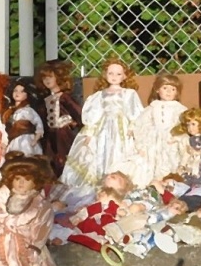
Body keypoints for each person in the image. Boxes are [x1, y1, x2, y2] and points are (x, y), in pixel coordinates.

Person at [61, 59, 144, 191]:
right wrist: (89, 133)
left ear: (124, 76)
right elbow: (94, 115)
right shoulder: (98, 96)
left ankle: (119, 183)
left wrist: (133, 127)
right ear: (105, 74)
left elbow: (135, 112)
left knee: (120, 151)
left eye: (118, 74)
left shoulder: (128, 94)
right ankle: (101, 182)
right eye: (111, 73)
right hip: (103, 129)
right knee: (100, 152)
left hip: (121, 128)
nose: (114, 77)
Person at [129, 74, 189, 188]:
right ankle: (154, 185)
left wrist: (178, 137)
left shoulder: (179, 108)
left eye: (173, 89)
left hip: (171, 140)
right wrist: (134, 130)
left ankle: (170, 185)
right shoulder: (153, 106)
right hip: (154, 141)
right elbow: (142, 121)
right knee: (153, 162)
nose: (169, 92)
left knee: (171, 161)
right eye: (165, 88)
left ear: (177, 92)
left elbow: (185, 124)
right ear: (157, 89)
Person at [35, 59, 83, 172]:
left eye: (50, 77)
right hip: (50, 135)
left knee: (64, 159)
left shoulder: (64, 97)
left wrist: (72, 122)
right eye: (44, 78)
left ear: (58, 77)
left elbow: (79, 113)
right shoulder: (45, 100)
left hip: (63, 134)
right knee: (50, 160)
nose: (47, 80)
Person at [3, 76, 45, 158]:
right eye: (15, 90)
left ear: (27, 95)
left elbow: (38, 123)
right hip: (14, 138)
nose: (17, 93)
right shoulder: (10, 111)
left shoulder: (28, 110)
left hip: (26, 139)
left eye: (22, 91)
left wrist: (36, 138)